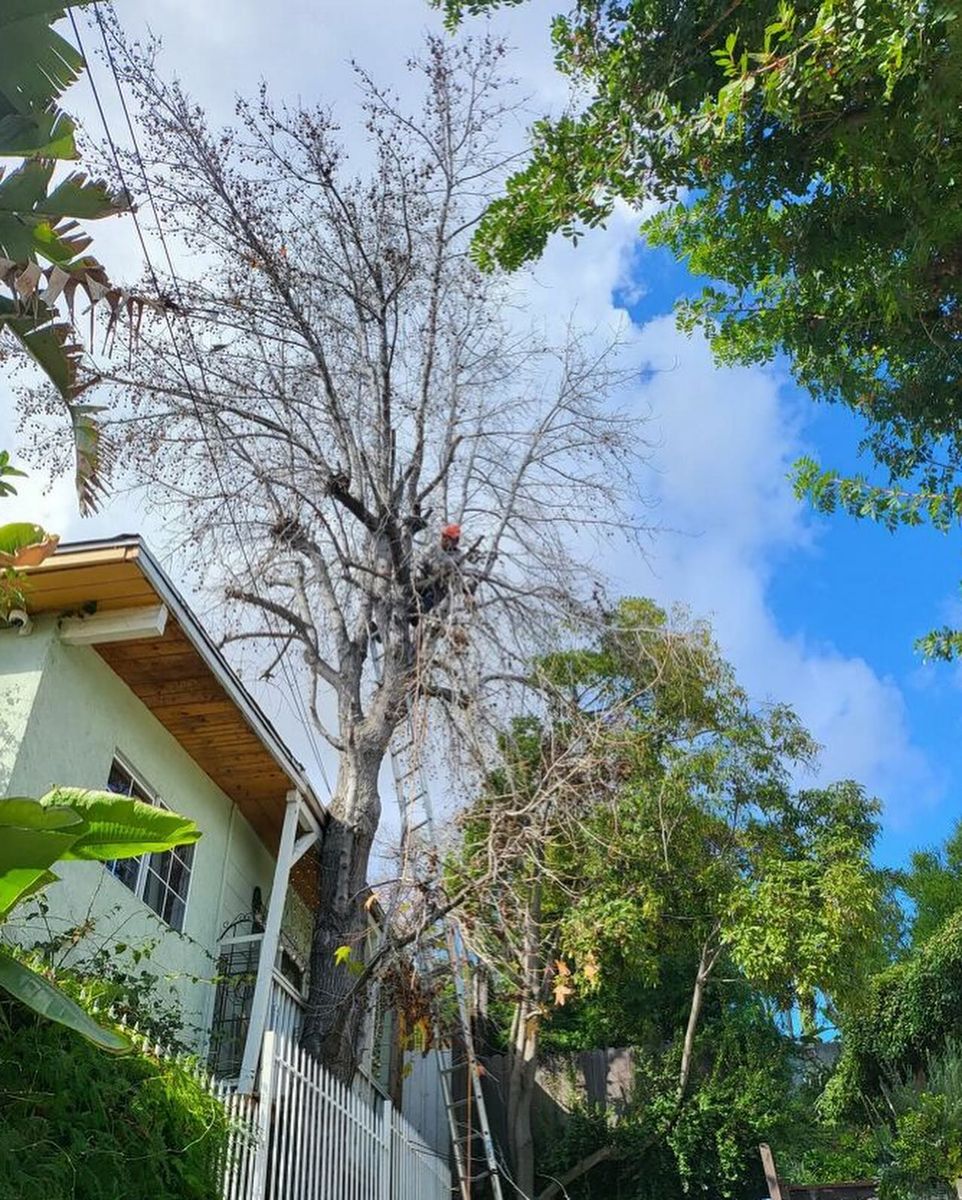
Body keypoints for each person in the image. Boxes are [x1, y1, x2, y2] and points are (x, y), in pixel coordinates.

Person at [412, 523, 464, 622]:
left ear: (455, 541)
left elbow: (459, 578)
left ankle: (418, 612)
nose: (444, 539)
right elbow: (421, 562)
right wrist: (419, 574)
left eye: (447, 537)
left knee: (432, 598)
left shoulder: (458, 557)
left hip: (439, 587)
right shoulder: (433, 548)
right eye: (443, 536)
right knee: (410, 590)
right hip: (424, 580)